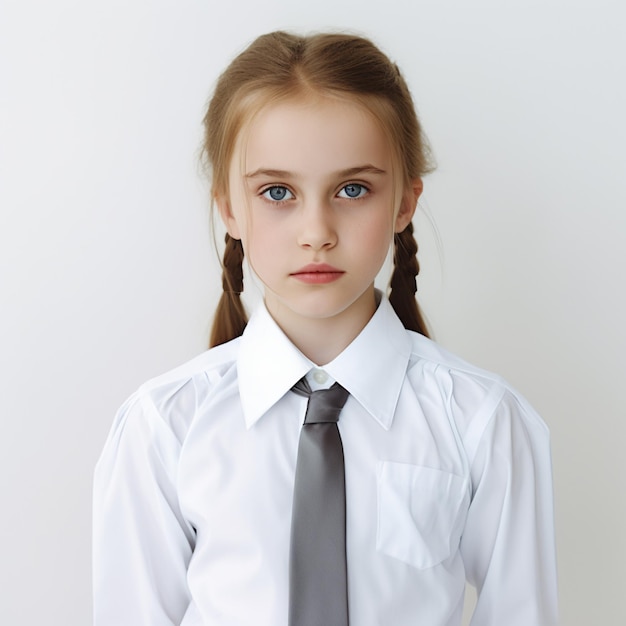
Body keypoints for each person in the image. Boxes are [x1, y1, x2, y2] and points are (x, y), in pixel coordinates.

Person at [92, 31, 558, 626]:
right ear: (229, 207)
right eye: (278, 192)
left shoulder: (484, 421)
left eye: (352, 189)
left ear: (405, 202)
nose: (316, 230)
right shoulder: (162, 427)